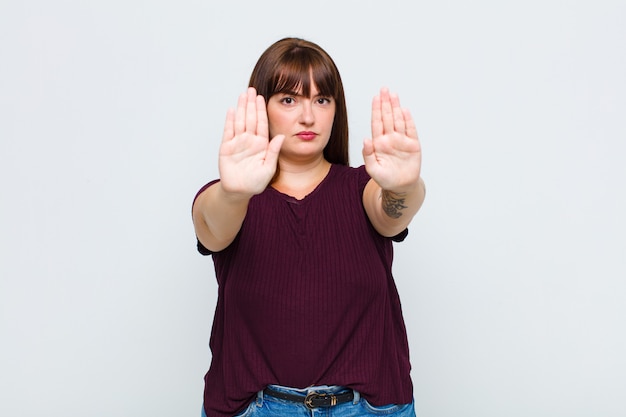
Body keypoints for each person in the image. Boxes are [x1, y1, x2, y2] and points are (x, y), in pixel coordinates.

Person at [192, 37, 426, 417]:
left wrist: (403, 186)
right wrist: (235, 194)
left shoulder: (361, 188)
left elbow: (392, 214)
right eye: (289, 100)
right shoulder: (228, 197)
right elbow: (211, 228)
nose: (308, 117)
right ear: (262, 106)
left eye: (322, 100)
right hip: (256, 408)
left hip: (366, 409)